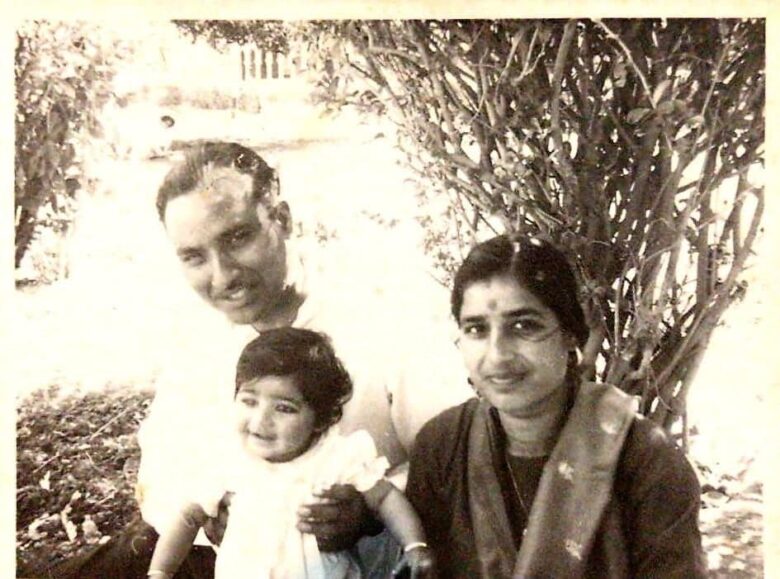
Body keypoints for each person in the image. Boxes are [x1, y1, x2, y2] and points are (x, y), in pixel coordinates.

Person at [47, 141, 470, 578]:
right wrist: (207, 517)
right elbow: (160, 470)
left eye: (237, 238)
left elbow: (455, 464)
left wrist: (365, 513)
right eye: (194, 257)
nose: (222, 276)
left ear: (282, 219)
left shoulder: (379, 316)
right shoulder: (196, 336)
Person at [405, 234, 707, 578]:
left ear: (569, 336)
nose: (498, 355)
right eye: (476, 329)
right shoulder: (443, 446)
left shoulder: (646, 461)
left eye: (524, 326)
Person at [147, 328, 434, 579]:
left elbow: (384, 497)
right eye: (249, 401)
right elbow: (188, 517)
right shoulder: (230, 461)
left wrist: (415, 545)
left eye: (284, 408)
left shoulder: (336, 456)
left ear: (321, 420)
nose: (261, 421)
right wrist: (160, 572)